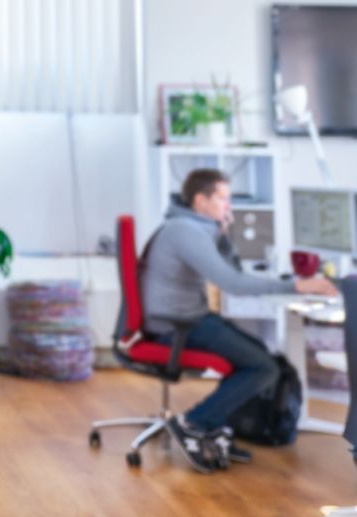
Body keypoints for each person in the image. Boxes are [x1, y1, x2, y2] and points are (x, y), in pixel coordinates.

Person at [141, 168, 338, 473]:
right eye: (223, 198)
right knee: (264, 366)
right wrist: (295, 286)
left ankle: (214, 426)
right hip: (176, 325)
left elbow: (232, 270)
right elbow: (233, 283)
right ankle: (194, 423)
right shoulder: (185, 232)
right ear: (200, 200)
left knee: (258, 352)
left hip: (185, 318)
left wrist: (224, 235)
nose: (229, 206)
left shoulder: (197, 227)